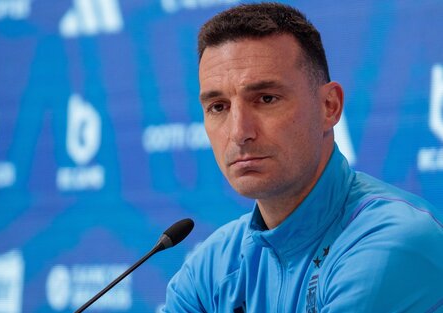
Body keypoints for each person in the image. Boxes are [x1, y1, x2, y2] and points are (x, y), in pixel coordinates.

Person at [162, 3, 443, 312]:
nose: (239, 132)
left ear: (329, 106)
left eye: (266, 99)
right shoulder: (213, 265)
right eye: (218, 106)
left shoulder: (395, 241)